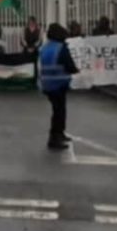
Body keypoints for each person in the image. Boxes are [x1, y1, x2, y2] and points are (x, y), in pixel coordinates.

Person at [38, 23, 80, 151]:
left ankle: (59, 134)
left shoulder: (44, 48)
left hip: (47, 83)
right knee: (59, 112)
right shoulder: (61, 48)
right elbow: (69, 65)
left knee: (57, 110)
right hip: (59, 83)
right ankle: (55, 137)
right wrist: (77, 70)